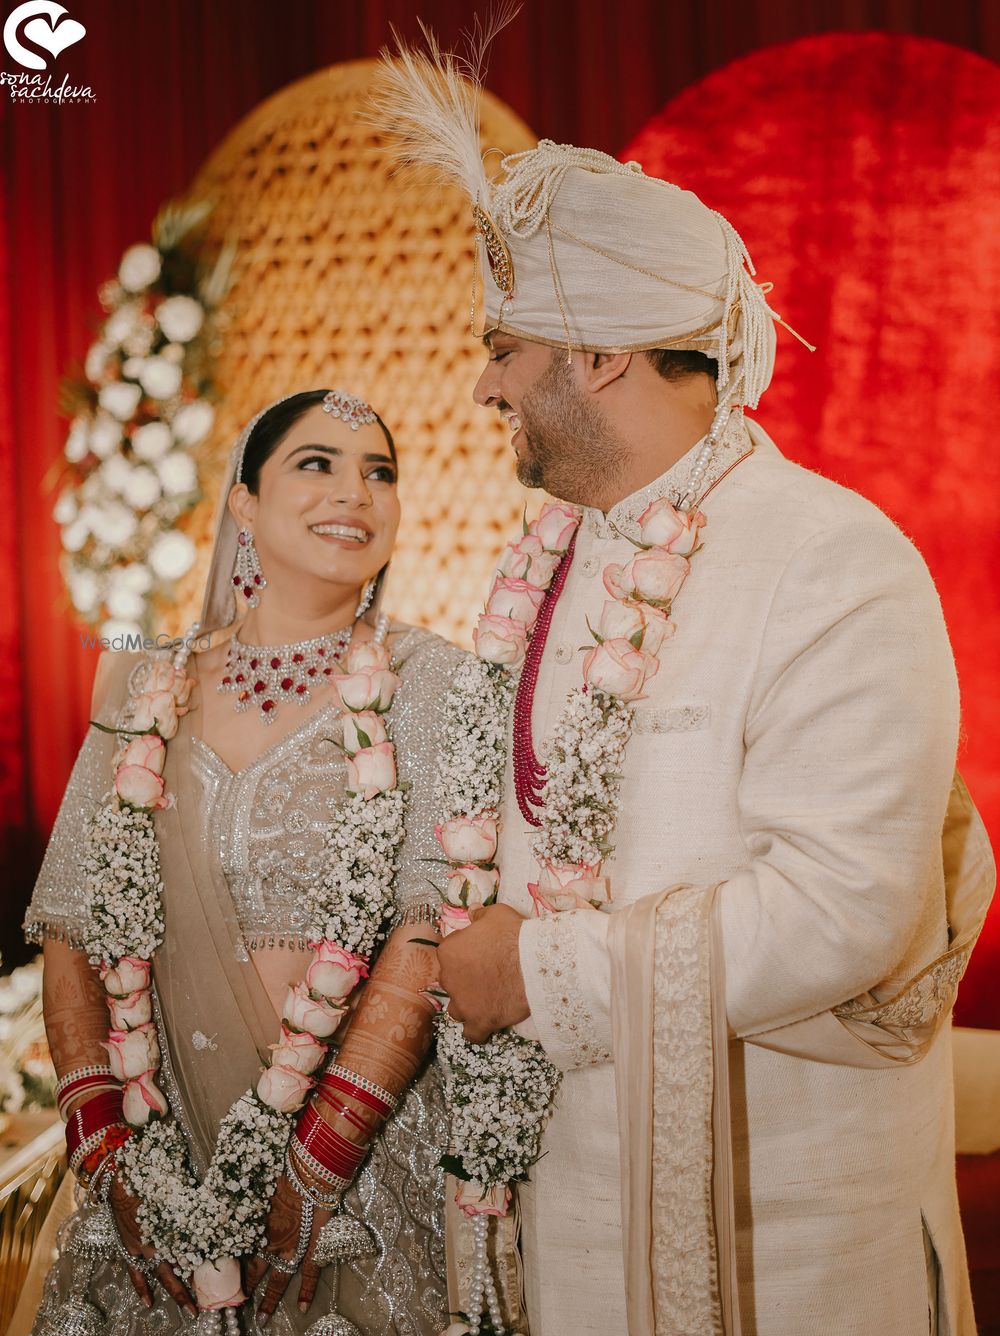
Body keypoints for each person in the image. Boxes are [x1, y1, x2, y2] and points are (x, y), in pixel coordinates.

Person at [371, 45, 996, 1336]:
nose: (485, 384)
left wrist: (537, 970)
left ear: (602, 354)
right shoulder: (542, 563)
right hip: (566, 1244)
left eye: (507, 348)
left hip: (787, 1266)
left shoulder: (831, 561)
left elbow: (843, 908)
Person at [22, 389, 464, 1336]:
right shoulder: (144, 684)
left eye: (380, 473)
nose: (355, 492)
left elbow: (429, 928)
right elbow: (69, 923)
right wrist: (108, 1154)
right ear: (245, 503)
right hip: (160, 1147)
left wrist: (318, 1161)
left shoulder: (434, 681)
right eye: (317, 463)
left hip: (359, 1165)